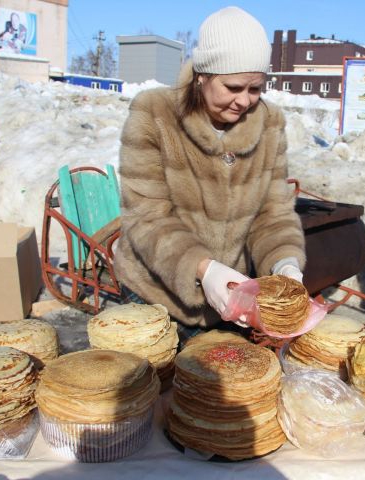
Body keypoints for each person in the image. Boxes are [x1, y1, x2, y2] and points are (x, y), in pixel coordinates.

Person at [114, 7, 306, 329]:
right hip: (156, 295)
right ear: (202, 77)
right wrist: (203, 268)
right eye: (233, 88)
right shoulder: (154, 114)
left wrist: (285, 262)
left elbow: (273, 213)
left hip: (231, 298)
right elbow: (147, 217)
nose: (244, 101)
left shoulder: (270, 124)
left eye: (255, 89)